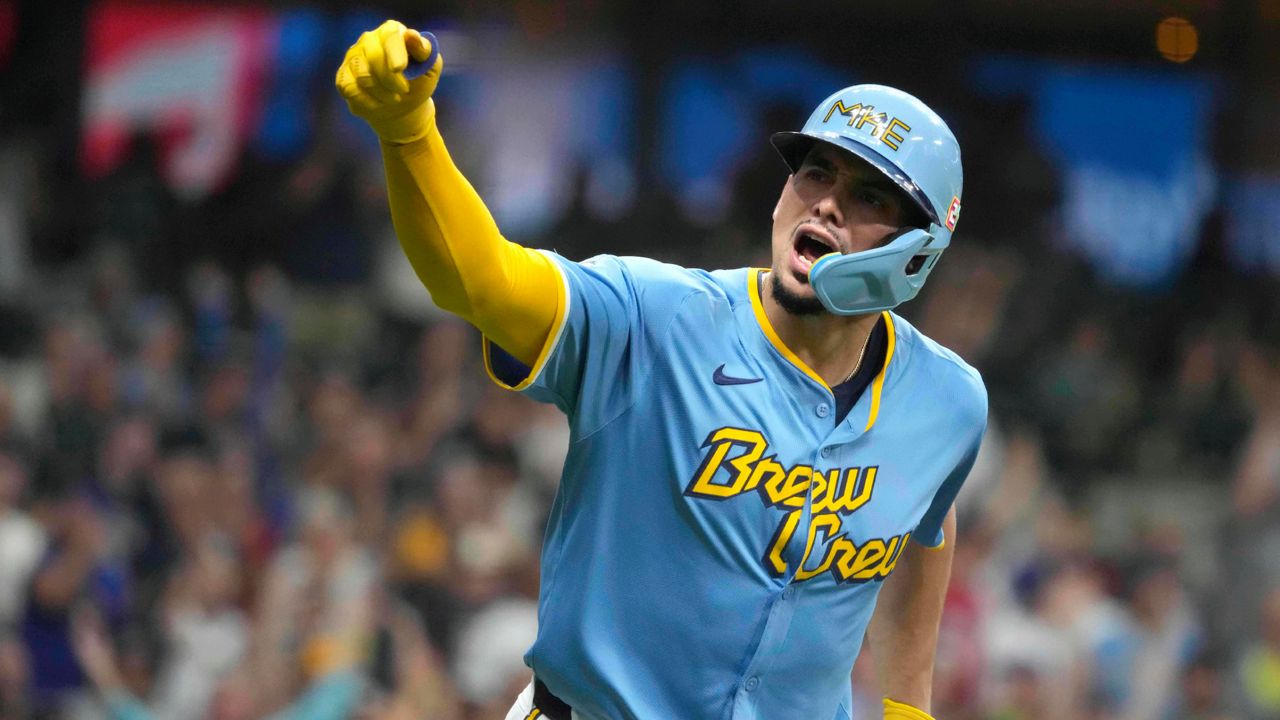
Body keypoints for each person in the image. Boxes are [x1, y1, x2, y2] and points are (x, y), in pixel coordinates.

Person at [336, 20, 986, 720]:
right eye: (816, 171)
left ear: (918, 252)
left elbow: (927, 521)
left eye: (869, 197)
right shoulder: (654, 316)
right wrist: (408, 132)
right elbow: (481, 280)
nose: (826, 201)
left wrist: (907, 705)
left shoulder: (948, 403)